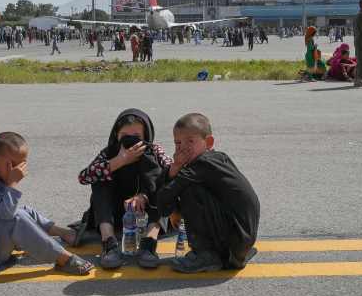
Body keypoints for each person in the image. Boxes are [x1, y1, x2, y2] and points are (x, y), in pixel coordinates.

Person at [0, 132, 92, 275]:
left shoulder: (0, 178)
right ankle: (63, 259)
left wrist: (10, 183)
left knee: (25, 210)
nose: (17, 170)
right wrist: (12, 184)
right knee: (16, 218)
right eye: (11, 164)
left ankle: (63, 233)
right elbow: (7, 215)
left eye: (21, 164)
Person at [155, 113, 260, 273]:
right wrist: (174, 168)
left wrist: (174, 208)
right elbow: (165, 198)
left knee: (190, 189)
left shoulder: (203, 163)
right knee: (185, 185)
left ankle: (206, 255)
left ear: (208, 142)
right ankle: (230, 255)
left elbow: (164, 201)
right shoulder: (218, 158)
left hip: (236, 239)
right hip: (240, 240)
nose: (183, 147)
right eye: (178, 142)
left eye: (190, 141)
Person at [77, 109, 172, 269]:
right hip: (115, 212)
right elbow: (84, 177)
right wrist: (120, 160)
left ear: (146, 136)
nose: (130, 140)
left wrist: (145, 195)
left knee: (163, 183)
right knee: (100, 178)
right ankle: (109, 243)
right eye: (124, 135)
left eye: (136, 135)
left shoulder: (154, 150)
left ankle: (149, 243)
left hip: (146, 212)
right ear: (116, 135)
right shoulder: (109, 152)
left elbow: (172, 172)